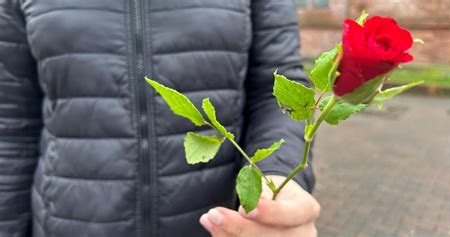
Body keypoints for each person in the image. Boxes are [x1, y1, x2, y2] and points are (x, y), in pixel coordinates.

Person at [0, 0, 320, 236]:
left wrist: (277, 178)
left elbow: (277, 89)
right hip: (70, 224)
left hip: (215, 223)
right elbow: (11, 125)